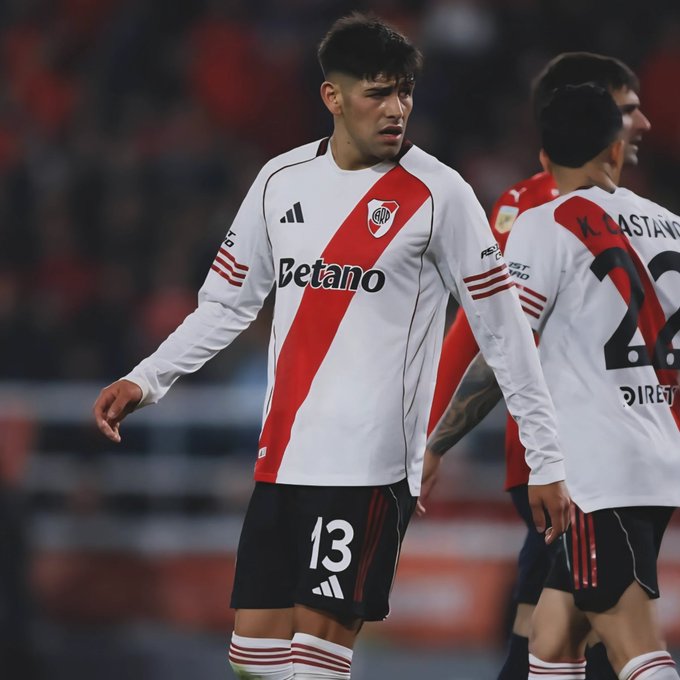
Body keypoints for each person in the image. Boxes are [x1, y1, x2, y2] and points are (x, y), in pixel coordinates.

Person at [93, 13, 569, 680]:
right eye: (378, 93)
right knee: (252, 660)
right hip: (284, 456)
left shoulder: (442, 194)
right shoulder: (280, 181)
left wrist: (545, 455)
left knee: (316, 662)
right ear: (333, 96)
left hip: (367, 467)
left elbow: (504, 329)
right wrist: (146, 379)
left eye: (405, 91)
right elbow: (226, 305)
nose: (397, 108)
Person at [421, 52, 651, 680]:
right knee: (594, 638)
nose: (643, 123)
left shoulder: (623, 212)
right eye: (628, 109)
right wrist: (431, 436)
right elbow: (482, 329)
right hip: (571, 466)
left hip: (592, 462)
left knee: (545, 638)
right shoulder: (535, 210)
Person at [512, 83, 680, 680]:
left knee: (635, 645)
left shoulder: (543, 224)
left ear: (543, 159)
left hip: (595, 469)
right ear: (614, 149)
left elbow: (510, 344)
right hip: (657, 456)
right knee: (554, 638)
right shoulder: (671, 225)